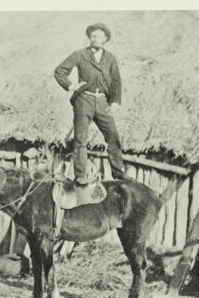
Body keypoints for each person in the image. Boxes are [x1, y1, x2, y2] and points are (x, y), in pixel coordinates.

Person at [54, 22, 129, 186]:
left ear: (105, 39)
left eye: (99, 36)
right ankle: (80, 175)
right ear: (89, 37)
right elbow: (60, 71)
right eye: (93, 36)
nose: (96, 39)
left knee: (113, 135)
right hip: (84, 100)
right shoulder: (80, 54)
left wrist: (116, 101)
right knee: (80, 139)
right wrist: (70, 85)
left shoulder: (110, 58)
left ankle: (118, 172)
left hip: (102, 101)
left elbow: (116, 81)